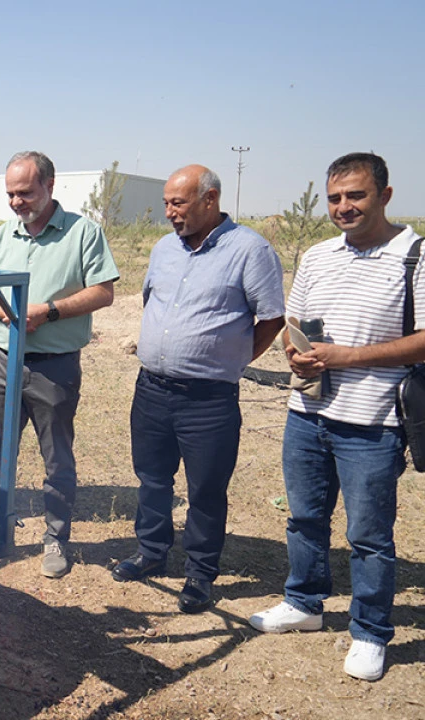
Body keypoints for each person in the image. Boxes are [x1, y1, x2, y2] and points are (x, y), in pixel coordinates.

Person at [249, 153, 420, 682]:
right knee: (305, 519)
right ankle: (304, 604)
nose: (343, 207)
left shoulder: (415, 256)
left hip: (372, 423)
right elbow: (293, 318)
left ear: (385, 196)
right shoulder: (319, 255)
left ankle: (369, 632)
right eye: (335, 198)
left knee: (369, 536)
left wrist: (343, 356)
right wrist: (293, 349)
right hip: (307, 411)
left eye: (356, 196)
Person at [113, 164, 285, 614]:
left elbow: (270, 317)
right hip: (151, 388)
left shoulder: (250, 250)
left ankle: (200, 572)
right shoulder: (163, 249)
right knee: (152, 478)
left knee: (206, 489)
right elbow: (154, 302)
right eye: (167, 203)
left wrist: (232, 359)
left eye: (179, 203)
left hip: (208, 401)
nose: (169, 212)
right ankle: (151, 552)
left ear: (210, 200)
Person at [0, 151, 118, 577]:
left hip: (53, 366)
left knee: (56, 458)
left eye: (26, 192)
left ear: (50, 186)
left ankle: (56, 538)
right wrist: (2, 311)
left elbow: (103, 291)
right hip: (3, 361)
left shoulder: (83, 233)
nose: (17, 202)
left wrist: (48, 311)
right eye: (11, 194)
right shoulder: (3, 237)